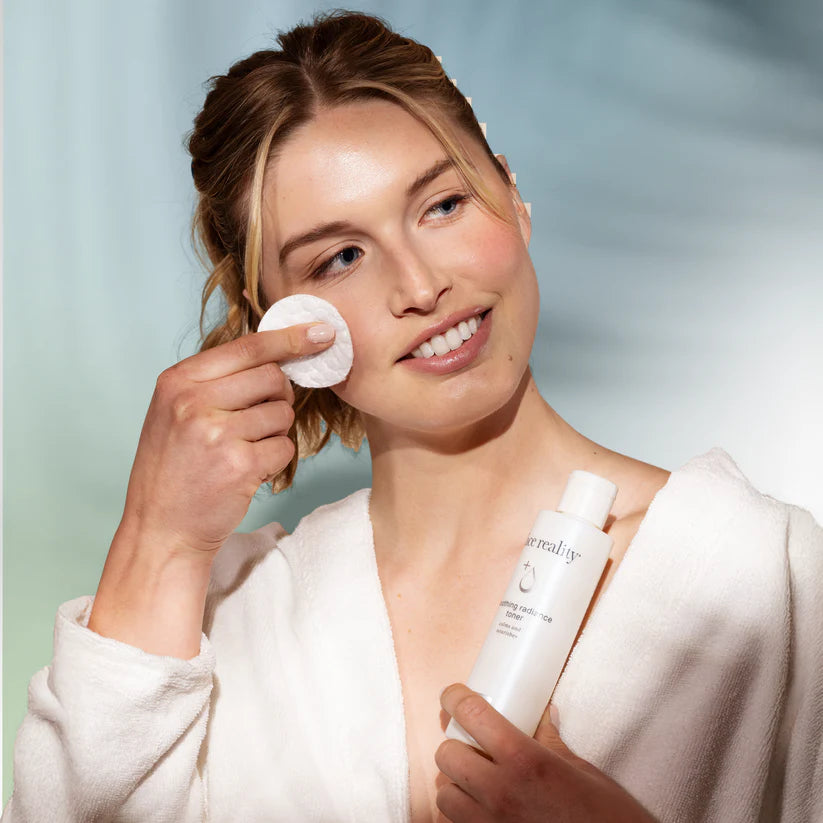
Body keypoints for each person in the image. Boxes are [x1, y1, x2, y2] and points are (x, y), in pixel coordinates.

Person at [3, 9, 821, 823]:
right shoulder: (229, 624)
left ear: (512, 195)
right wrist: (160, 536)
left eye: (441, 206)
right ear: (283, 322)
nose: (420, 285)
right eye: (341, 257)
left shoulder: (758, 576)